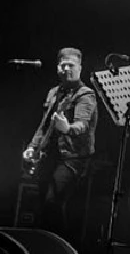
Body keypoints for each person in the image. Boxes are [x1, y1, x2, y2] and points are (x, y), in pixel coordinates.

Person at [22, 47, 98, 242]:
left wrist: (67, 128)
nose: (67, 69)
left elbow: (82, 125)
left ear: (80, 68)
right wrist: (32, 147)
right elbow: (44, 125)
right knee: (40, 204)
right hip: (51, 156)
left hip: (74, 158)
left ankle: (61, 248)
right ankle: (43, 246)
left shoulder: (85, 95)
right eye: (63, 65)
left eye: (71, 65)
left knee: (52, 203)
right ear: (57, 68)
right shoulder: (54, 93)